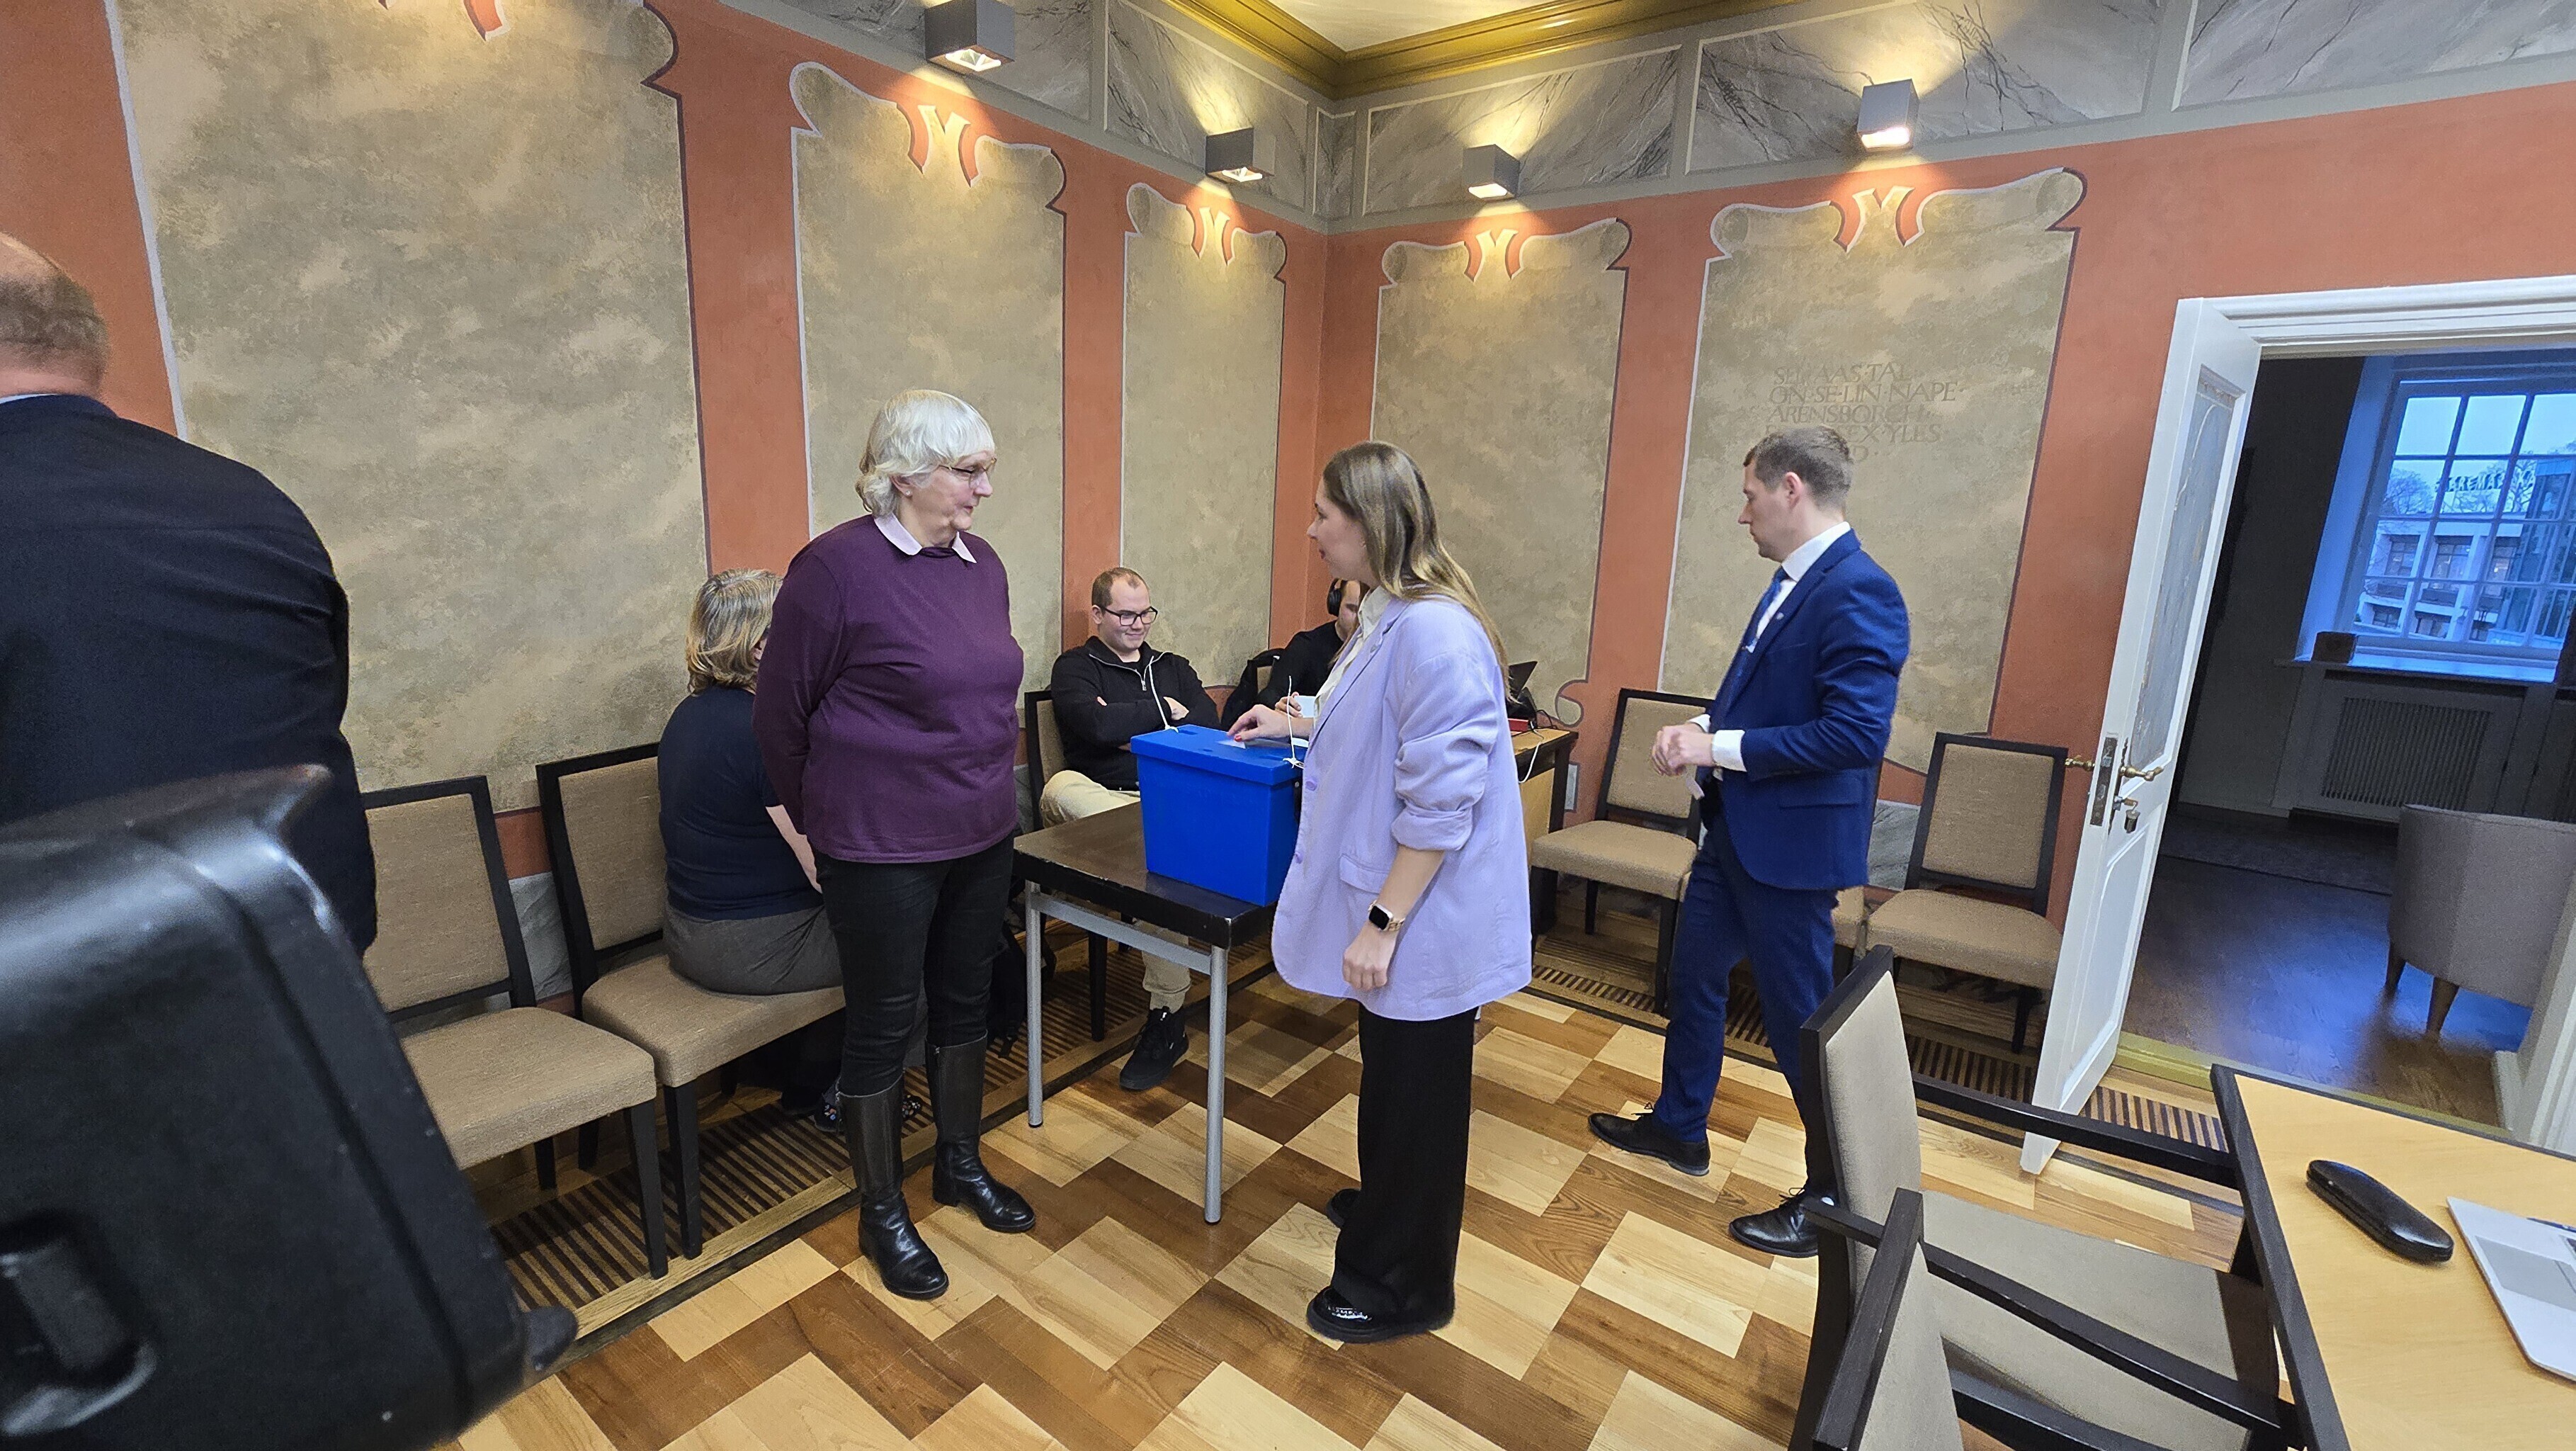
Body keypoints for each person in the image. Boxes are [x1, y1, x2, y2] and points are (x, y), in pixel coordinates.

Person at [0, 232, 377, 950]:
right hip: (302, 946)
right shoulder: (248, 496)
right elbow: (315, 698)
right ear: (87, 350)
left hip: (70, 973)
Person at [1231, 440, 1529, 1343]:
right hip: (1406, 910)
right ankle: (1387, 1211)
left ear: (1366, 522)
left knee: (1417, 1102)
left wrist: (1381, 922)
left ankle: (1401, 1285)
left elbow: (1440, 803)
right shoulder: (1390, 616)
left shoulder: (1435, 631)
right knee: (1396, 1087)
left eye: (1324, 513)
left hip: (1421, 917)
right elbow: (1365, 712)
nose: (1312, 529)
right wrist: (1291, 719)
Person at [1589, 426, 1908, 1259]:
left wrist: (1716, 747)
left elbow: (1853, 735)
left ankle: (1835, 1195)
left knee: (1800, 1021)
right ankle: (1678, 1125)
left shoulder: (1860, 589)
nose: (1743, 514)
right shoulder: (1791, 581)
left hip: (1790, 852)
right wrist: (1698, 726)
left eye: (1750, 495)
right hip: (1737, 833)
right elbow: (1763, 700)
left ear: (1791, 488)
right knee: (1691, 976)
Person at [754, 388, 1035, 1301]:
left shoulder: (982, 565)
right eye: (968, 471)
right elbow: (778, 715)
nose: (985, 489)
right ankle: (880, 1210)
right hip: (878, 843)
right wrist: (823, 822)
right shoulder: (834, 567)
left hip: (981, 828)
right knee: (884, 1019)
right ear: (905, 474)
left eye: (986, 470)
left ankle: (958, 1162)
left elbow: (987, 690)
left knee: (965, 1002)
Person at [656, 568, 846, 1119]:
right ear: (762, 647)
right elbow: (824, 871)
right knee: (916, 932)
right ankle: (839, 1090)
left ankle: (809, 1075)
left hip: (691, 930)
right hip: (751, 947)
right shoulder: (761, 729)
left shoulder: (691, 713)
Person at [1041, 567, 1218, 1091]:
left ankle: (1166, 1015)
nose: (1138, 624)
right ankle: (1149, 838)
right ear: (1097, 614)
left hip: (1163, 800)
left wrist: (1129, 726)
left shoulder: (1173, 665)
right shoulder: (1075, 668)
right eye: (1125, 615)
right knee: (1059, 787)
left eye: (1145, 614)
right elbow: (1097, 727)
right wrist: (1164, 713)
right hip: (1097, 799)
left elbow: (1208, 725)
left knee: (1153, 863)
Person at [1219, 578, 1363, 729]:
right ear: (1336, 605)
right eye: (1352, 609)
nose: (1359, 620)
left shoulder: (1376, 651)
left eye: (1365, 611)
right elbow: (1271, 694)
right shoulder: (1307, 645)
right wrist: (1279, 706)